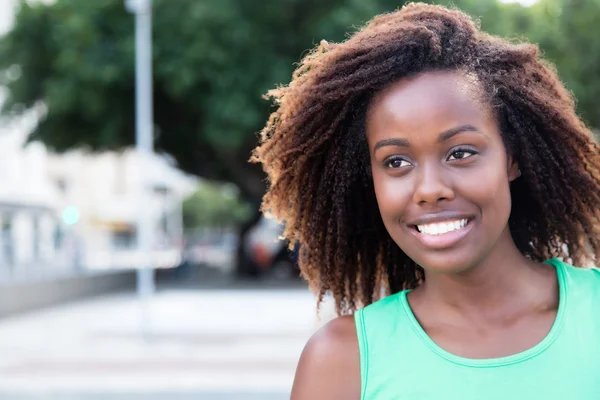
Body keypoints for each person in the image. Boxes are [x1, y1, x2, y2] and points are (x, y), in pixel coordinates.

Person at [252, 3, 600, 399]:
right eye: (396, 162)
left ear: (512, 159)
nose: (429, 188)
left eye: (461, 153)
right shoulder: (341, 362)